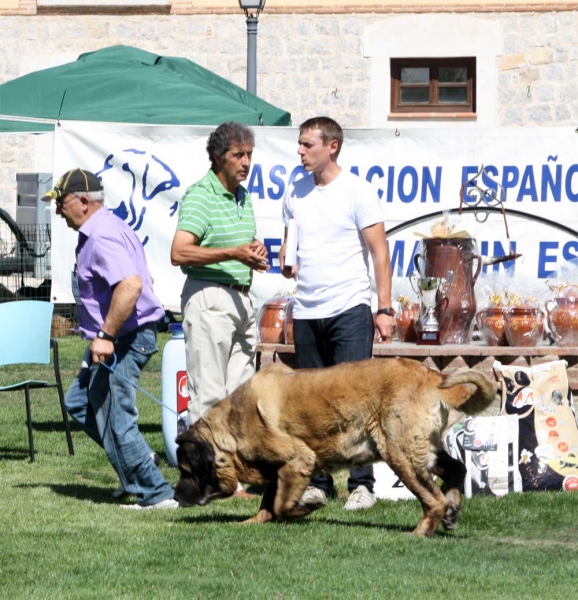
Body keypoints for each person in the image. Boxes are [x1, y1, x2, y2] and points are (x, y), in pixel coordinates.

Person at [279, 116, 396, 511]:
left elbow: (380, 253)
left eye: (307, 145)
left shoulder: (357, 191)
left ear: (332, 147)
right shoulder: (294, 190)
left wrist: (384, 308)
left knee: (355, 401)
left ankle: (362, 484)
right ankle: (319, 482)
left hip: (349, 307)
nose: (300, 152)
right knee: (311, 402)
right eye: (299, 144)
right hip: (307, 309)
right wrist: (285, 260)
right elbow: (289, 243)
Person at [43, 169, 177, 510]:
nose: (58, 211)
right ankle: (137, 461)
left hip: (124, 338)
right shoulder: (106, 228)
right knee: (78, 401)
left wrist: (105, 336)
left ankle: (157, 493)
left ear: (84, 201)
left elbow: (131, 285)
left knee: (117, 416)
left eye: (61, 203)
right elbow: (143, 276)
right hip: (120, 336)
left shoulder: (101, 236)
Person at [170, 121, 268, 434]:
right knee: (209, 396)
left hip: (241, 299)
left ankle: (232, 478)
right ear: (217, 156)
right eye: (238, 155)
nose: (247, 163)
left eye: (249, 154)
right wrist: (233, 253)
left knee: (242, 398)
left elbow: (235, 245)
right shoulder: (201, 195)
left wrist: (252, 250)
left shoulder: (243, 196)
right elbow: (179, 252)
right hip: (209, 297)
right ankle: (207, 480)